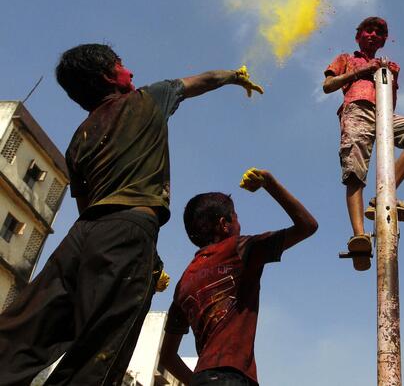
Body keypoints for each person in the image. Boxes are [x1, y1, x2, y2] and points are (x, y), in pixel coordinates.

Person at [0, 43, 263, 386]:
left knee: (31, 325)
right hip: (128, 231)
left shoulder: (79, 138)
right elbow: (205, 79)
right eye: (122, 65)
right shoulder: (148, 98)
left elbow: (86, 206)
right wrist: (235, 76)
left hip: (81, 237)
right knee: (104, 345)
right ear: (110, 75)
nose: (132, 72)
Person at [159, 168, 318, 386]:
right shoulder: (238, 250)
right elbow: (308, 225)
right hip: (233, 378)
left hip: (204, 377)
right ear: (225, 224)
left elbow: (167, 357)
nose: (239, 223)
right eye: (236, 217)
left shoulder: (183, 283)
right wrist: (269, 182)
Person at [323, 17, 404, 269]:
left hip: (384, 113)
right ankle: (359, 235)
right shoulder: (346, 58)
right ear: (358, 35)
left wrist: (387, 75)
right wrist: (359, 72)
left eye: (379, 32)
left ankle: (384, 193)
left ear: (384, 40)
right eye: (368, 30)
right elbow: (328, 85)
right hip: (357, 109)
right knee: (354, 170)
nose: (373, 34)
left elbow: (391, 98)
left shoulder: (391, 65)